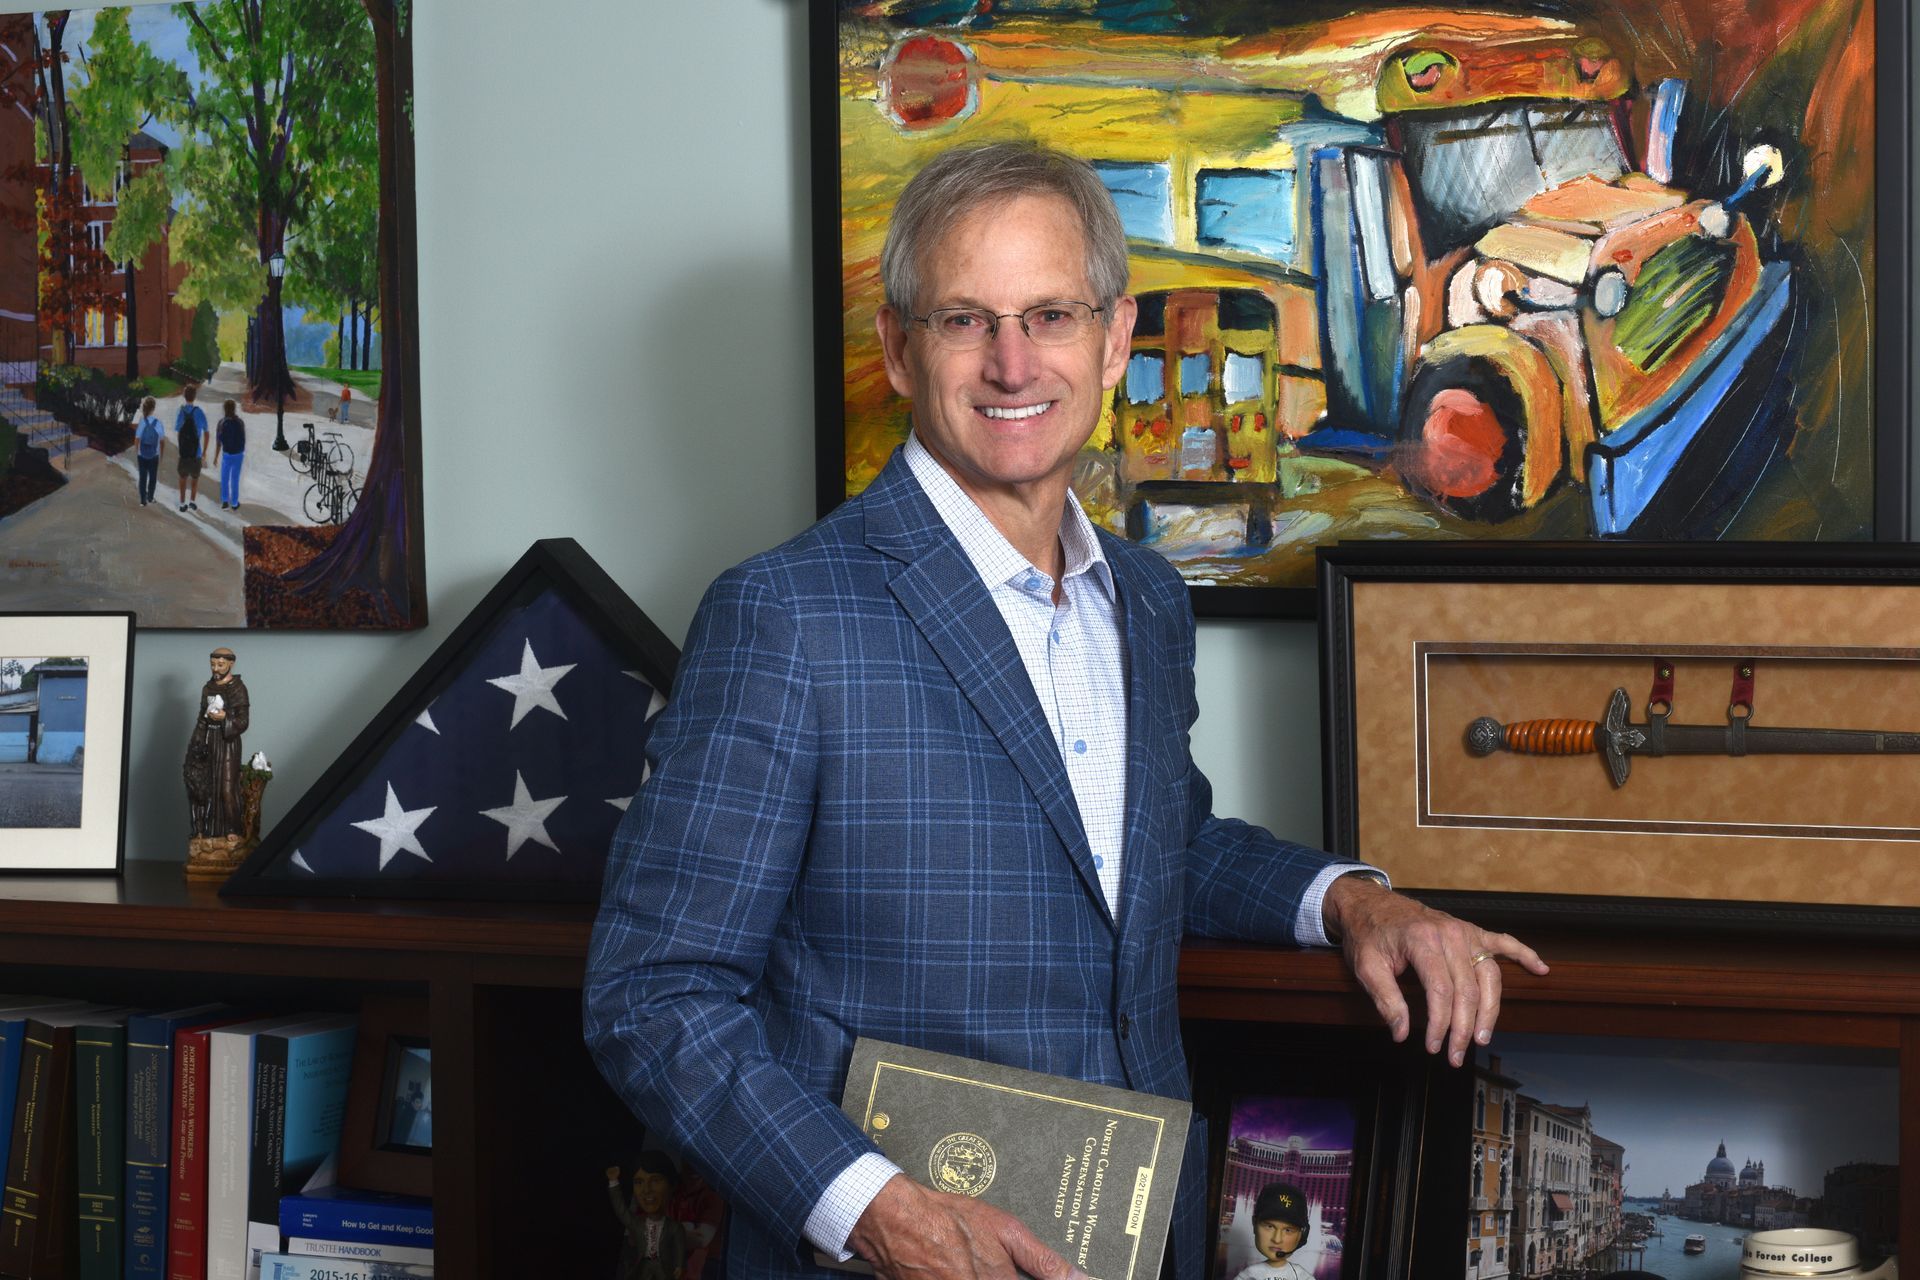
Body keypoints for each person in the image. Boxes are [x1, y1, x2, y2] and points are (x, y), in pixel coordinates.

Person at [583, 142, 1545, 1280]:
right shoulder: (784, 614)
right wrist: (877, 1212)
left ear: (1114, 337)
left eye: (1050, 314)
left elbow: (1156, 849)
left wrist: (1354, 903)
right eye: (964, 320)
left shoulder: (1143, 599)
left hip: (1132, 1237)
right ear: (899, 347)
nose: (1012, 362)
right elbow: (652, 994)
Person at [182, 645, 250, 839]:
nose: (215, 669)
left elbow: (243, 721)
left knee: (227, 787)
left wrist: (225, 718)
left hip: (227, 743)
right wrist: (196, 743)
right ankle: (206, 831)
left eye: (220, 665)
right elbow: (202, 719)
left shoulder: (238, 688)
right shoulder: (208, 688)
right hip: (209, 740)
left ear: (231, 664)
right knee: (207, 786)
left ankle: (232, 829)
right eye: (212, 664)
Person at [608, 1152, 687, 1280]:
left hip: (663, 1269)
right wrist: (613, 1181)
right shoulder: (637, 1223)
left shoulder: (675, 1227)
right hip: (644, 1268)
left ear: (672, 1185)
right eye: (639, 1182)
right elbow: (621, 1210)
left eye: (655, 1181)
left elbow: (679, 1248)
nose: (646, 1190)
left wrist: (679, 1266)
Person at [1229, 1184, 1313, 1280]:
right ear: (1254, 1224)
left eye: (1288, 1230)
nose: (1277, 1239)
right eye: (1269, 1226)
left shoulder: (1302, 1277)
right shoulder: (1249, 1275)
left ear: (1303, 1235)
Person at [174, 384, 207, 512]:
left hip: (184, 453)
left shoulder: (181, 412)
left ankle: (182, 503)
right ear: (195, 396)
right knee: (195, 478)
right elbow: (207, 432)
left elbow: (178, 430)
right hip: (196, 452)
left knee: (182, 478)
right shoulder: (199, 412)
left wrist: (181, 446)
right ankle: (192, 502)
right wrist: (204, 452)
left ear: (184, 396)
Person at [212, 398, 246, 511]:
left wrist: (216, 457)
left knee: (224, 477)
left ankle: (225, 501)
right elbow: (243, 439)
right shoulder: (240, 422)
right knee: (235, 478)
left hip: (227, 454)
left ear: (224, 409)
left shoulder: (221, 423)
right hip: (238, 454)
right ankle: (235, 503)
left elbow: (218, 442)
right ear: (234, 409)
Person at [134, 395, 165, 507]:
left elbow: (137, 439)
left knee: (142, 478)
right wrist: (161, 455)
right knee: (152, 477)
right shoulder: (158, 423)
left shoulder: (142, 422)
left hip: (142, 454)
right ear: (153, 408)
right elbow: (162, 441)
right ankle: (150, 497)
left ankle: (143, 501)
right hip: (154, 455)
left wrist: (137, 451)